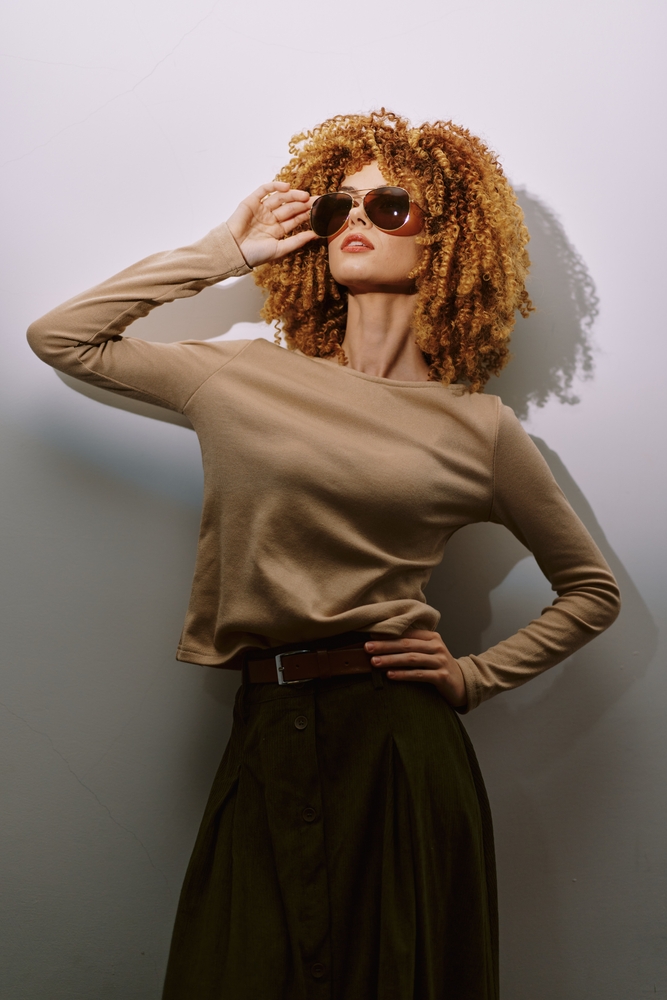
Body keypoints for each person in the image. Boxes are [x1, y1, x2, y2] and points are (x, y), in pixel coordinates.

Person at [27, 110, 620, 1000]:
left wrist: (473, 676)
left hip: (398, 746)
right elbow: (63, 337)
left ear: (446, 239)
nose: (355, 220)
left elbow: (590, 590)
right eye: (340, 203)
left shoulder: (479, 430)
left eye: (390, 207)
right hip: (265, 729)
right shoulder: (240, 377)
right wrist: (225, 249)